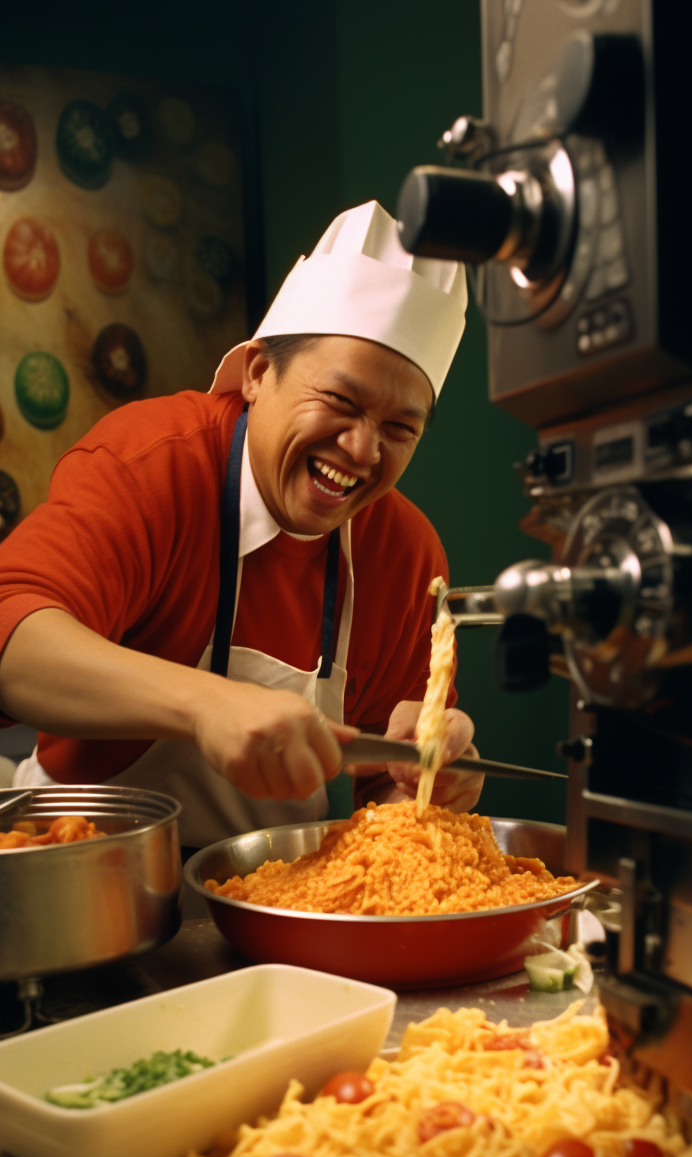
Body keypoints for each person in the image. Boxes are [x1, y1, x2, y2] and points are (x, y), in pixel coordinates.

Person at [0, 201, 483, 847]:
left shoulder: (406, 553)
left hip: (273, 896)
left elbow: (383, 798)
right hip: (83, 866)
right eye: (340, 401)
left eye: (399, 429)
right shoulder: (154, 462)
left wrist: (427, 779)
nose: (364, 450)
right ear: (257, 373)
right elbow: (11, 633)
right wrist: (206, 704)